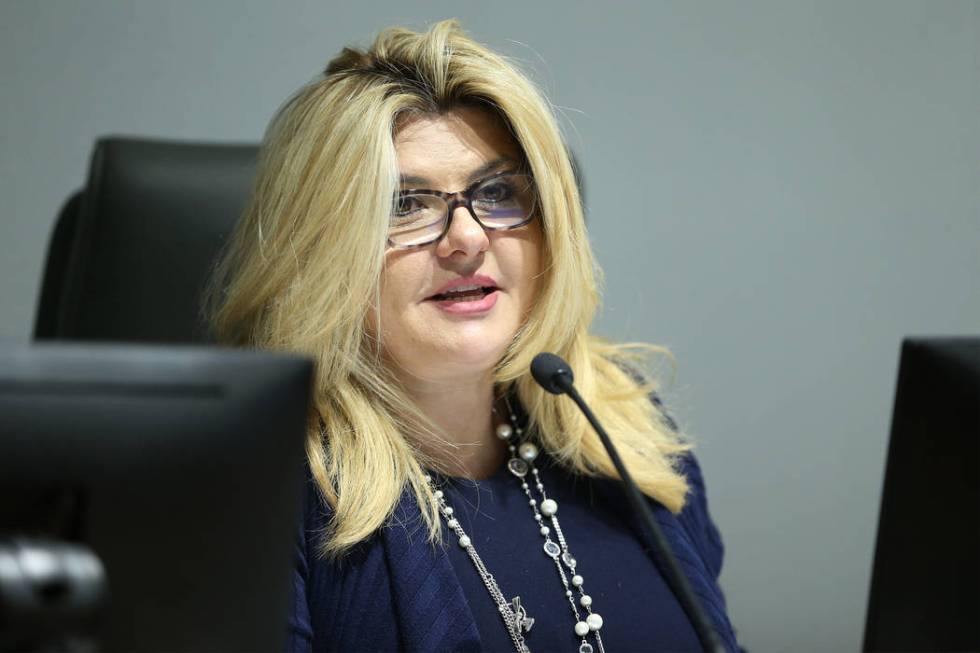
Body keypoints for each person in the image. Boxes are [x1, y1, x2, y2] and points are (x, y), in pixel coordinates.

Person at [208, 19, 739, 653]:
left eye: (497, 192)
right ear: (321, 249)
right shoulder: (269, 488)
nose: (468, 237)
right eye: (405, 204)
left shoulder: (626, 430)